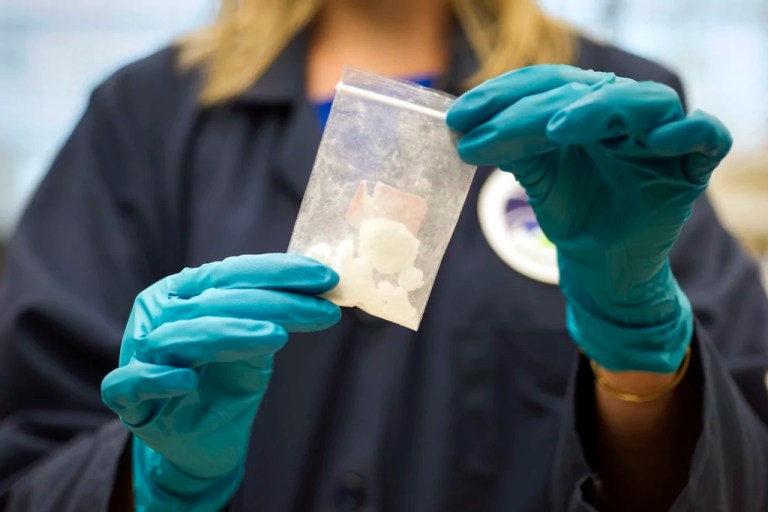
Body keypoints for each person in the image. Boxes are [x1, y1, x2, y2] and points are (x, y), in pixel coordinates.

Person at [1, 0, 767, 510]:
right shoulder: (144, 117)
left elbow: (740, 475)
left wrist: (636, 348)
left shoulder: (602, 118)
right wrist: (152, 477)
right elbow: (26, 459)